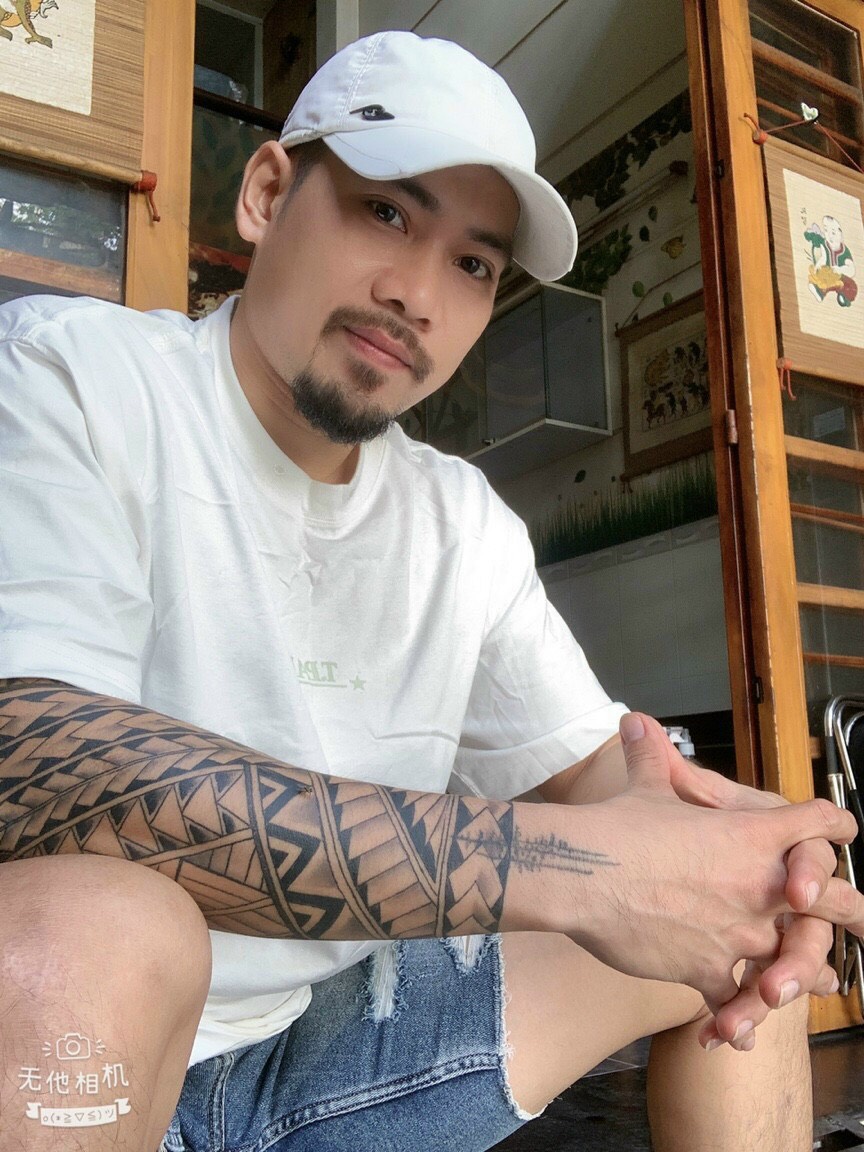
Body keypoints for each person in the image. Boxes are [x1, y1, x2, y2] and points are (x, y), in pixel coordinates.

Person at [0, 30, 861, 1152]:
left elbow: (607, 781)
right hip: (83, 1054)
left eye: (473, 265)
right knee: (91, 927)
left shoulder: (460, 519)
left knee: (739, 920)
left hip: (326, 1042)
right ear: (266, 195)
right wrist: (574, 869)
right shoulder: (71, 373)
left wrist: (764, 864)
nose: (415, 294)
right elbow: (27, 755)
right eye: (386, 212)